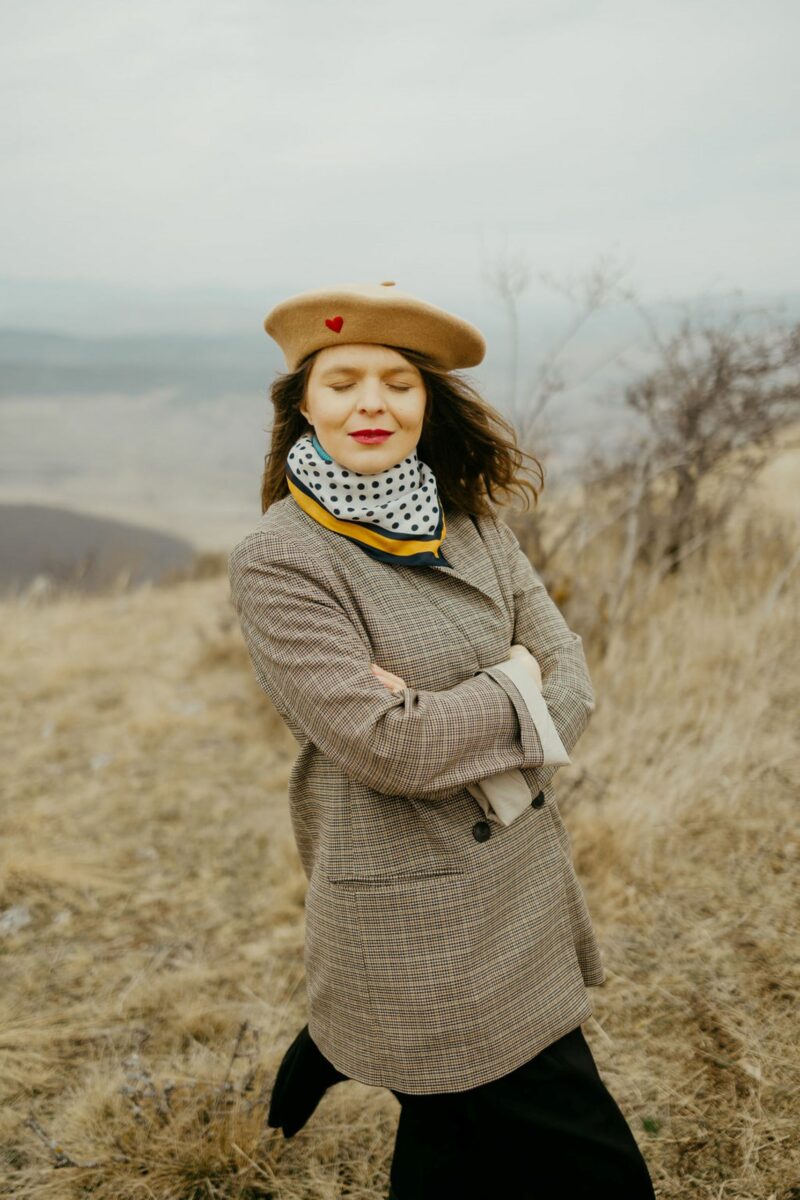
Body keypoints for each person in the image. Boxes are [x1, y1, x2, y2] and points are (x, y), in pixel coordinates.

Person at [228, 280, 657, 1198]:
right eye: (343, 381)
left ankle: (335, 1040)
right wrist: (515, 683)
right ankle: (345, 1030)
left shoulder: (470, 519)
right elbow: (393, 749)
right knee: (596, 1168)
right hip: (421, 908)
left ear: (429, 401)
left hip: (519, 880)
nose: (372, 402)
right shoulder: (280, 562)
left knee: (452, 1142)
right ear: (303, 401)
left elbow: (572, 674)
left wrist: (467, 699)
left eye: (399, 381)